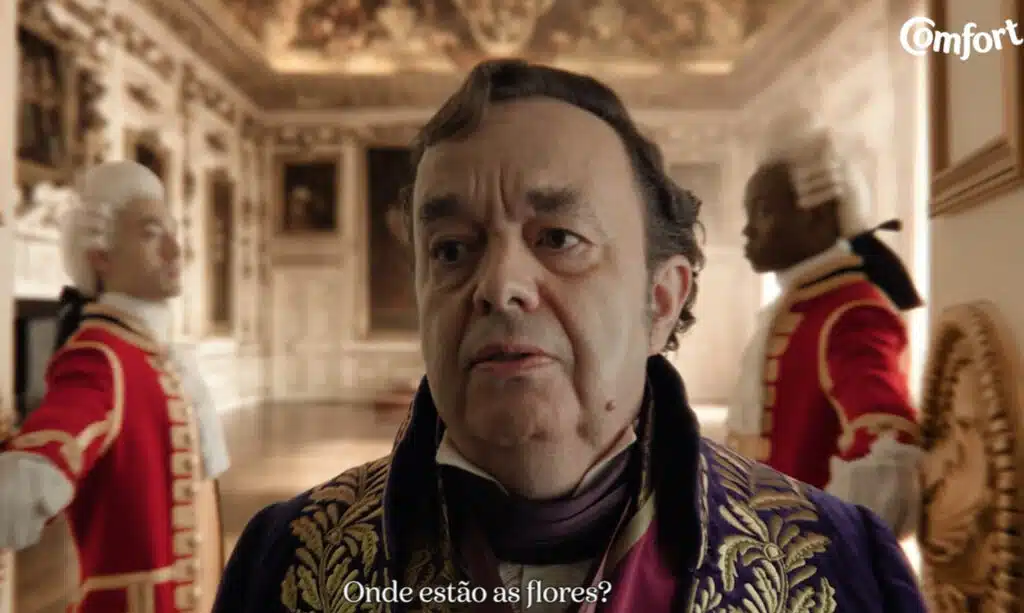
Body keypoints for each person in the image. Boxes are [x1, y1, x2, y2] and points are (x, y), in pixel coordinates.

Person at [213, 61, 926, 613]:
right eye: (452, 249)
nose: (499, 285)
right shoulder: (281, 563)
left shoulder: (848, 568)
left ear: (660, 300)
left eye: (558, 238)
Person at [0, 160, 230, 612]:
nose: (176, 249)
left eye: (173, 232)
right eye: (150, 234)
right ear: (101, 256)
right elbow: (45, 463)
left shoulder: (155, 356)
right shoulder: (100, 359)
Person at [728, 129, 924, 538]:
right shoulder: (805, 306)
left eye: (762, 212)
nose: (747, 230)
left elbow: (886, 445)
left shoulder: (851, 313)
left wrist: (828, 548)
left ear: (815, 216)